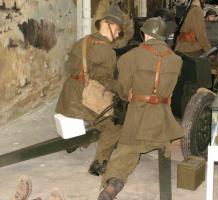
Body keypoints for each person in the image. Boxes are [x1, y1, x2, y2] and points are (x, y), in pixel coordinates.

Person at [97, 17, 184, 200]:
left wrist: (127, 94)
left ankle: (113, 184)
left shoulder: (130, 57)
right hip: (163, 121)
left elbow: (122, 89)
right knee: (159, 144)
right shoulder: (176, 60)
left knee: (127, 151)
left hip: (138, 117)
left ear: (145, 34)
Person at [55, 7, 122, 176]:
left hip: (68, 96)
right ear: (109, 24)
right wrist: (122, 89)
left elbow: (70, 66)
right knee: (113, 125)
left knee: (94, 115)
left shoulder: (83, 41)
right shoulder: (107, 51)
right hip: (83, 98)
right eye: (118, 29)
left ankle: (73, 141)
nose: (118, 33)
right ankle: (99, 163)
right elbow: (106, 80)